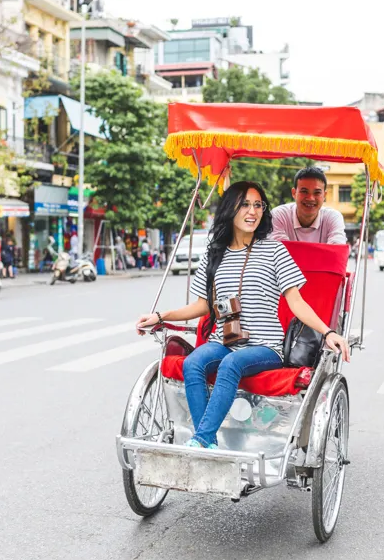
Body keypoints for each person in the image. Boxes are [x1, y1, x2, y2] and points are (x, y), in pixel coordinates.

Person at [136, 181, 350, 450]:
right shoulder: (214, 255)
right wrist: (160, 315)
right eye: (245, 204)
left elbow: (297, 302)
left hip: (264, 347)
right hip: (222, 341)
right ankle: (208, 441)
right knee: (193, 363)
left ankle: (201, 440)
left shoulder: (275, 251)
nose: (253, 211)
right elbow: (203, 305)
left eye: (258, 205)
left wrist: (328, 332)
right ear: (230, 209)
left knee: (231, 363)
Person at [269, 166, 346, 244]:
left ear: (324, 196)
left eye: (317, 193)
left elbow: (337, 250)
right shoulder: (279, 215)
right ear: (294, 193)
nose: (310, 198)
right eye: (304, 191)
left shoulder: (333, 217)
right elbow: (278, 251)